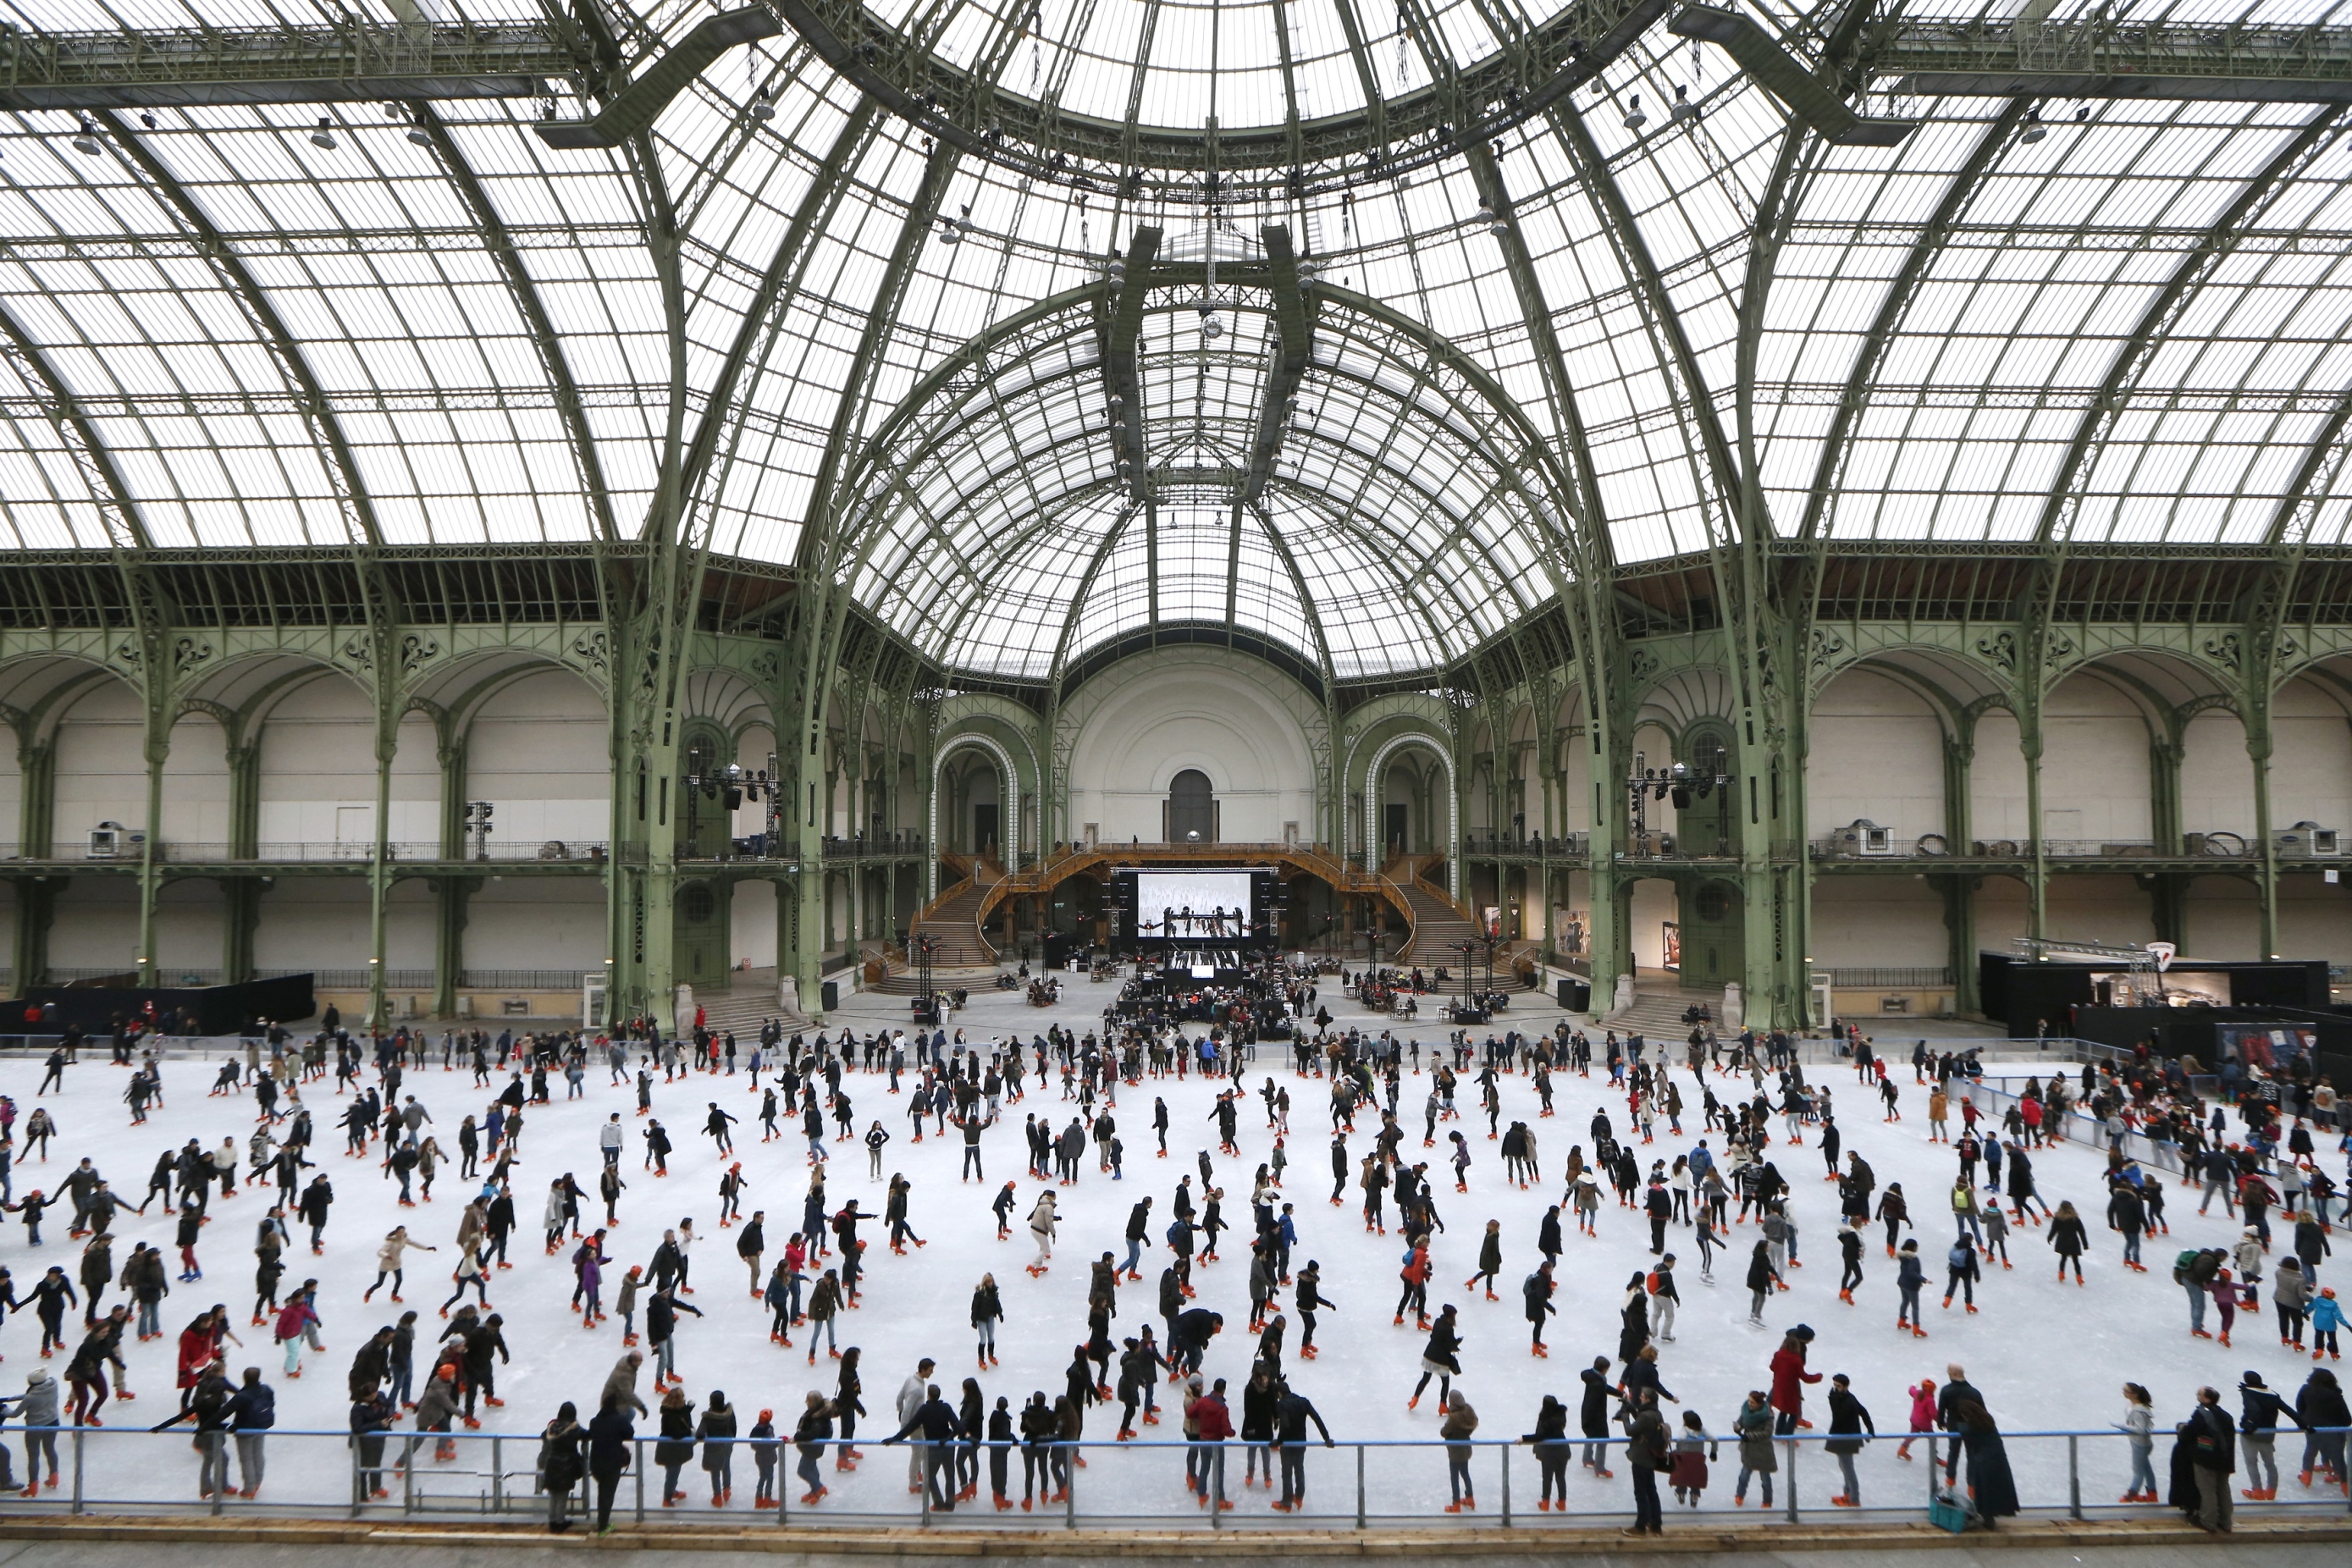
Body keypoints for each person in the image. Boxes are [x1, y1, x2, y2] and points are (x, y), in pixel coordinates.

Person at [1952, 1395, 2018, 1528]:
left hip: (1982, 1461)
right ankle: (1992, 1516)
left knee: (1984, 1490)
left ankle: (1988, 1519)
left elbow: (1962, 1431)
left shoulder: (1969, 1428)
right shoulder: (1988, 1421)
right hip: (1999, 1458)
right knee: (1995, 1489)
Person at [1823, 1372, 1874, 1506]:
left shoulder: (1849, 1401)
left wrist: (1870, 1430)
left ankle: (1854, 1499)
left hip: (1846, 1437)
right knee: (1843, 1466)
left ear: (1846, 1387)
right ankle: (1848, 1493)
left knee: (1848, 1468)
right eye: (1834, 1385)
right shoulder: (1841, 1397)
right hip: (1841, 1436)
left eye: (1838, 1386)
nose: (1835, 1388)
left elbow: (1858, 1412)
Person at [588, 1394, 634, 1532]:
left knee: (602, 1491)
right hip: (612, 1464)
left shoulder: (594, 1421)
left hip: (596, 1464)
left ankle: (601, 1522)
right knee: (607, 1494)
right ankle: (602, 1527)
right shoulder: (619, 1420)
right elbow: (630, 1433)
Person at [538, 1400, 585, 1532]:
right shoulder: (573, 1429)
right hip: (566, 1466)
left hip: (552, 1464)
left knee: (553, 1494)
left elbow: (544, 1435)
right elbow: (585, 1434)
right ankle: (560, 1523)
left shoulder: (553, 1427)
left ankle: (552, 1521)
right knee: (562, 1496)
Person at [1438, 1383, 1478, 1512]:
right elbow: (1473, 1423)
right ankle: (1470, 1498)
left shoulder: (1453, 1418)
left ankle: (1456, 1504)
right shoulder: (1468, 1411)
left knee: (1454, 1477)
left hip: (1455, 1451)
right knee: (1465, 1474)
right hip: (1466, 1448)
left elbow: (1444, 1432)